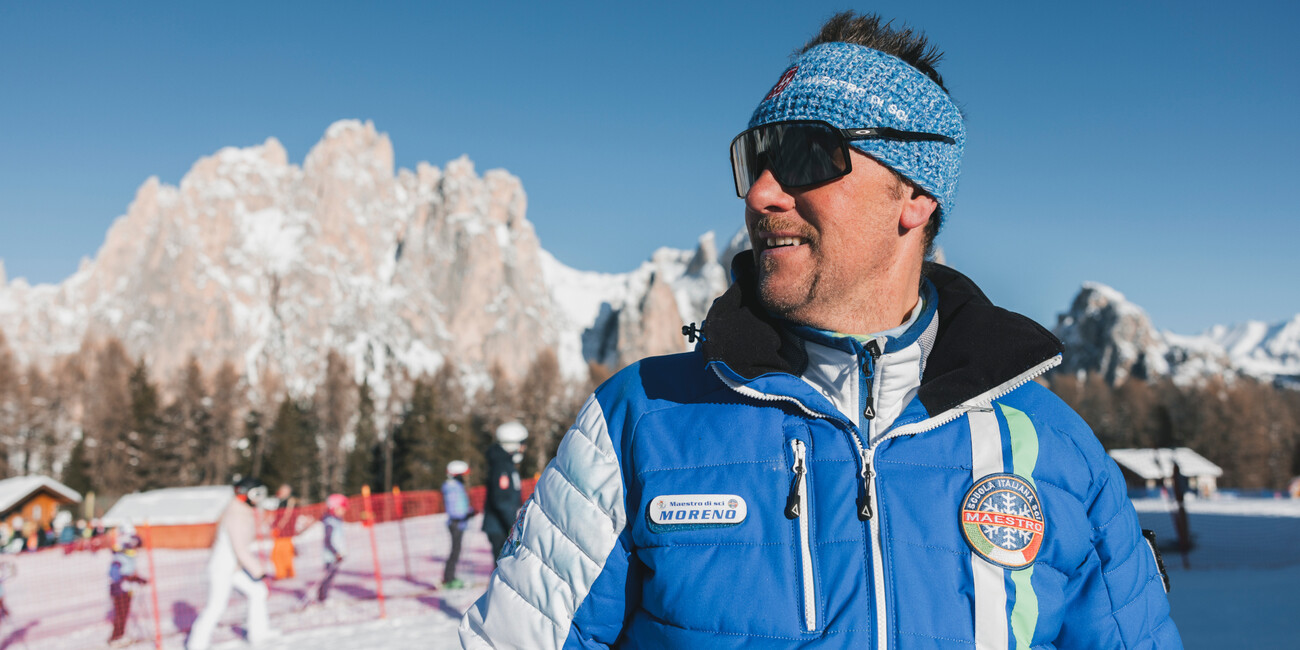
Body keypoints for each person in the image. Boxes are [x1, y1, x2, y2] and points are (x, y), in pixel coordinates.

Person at [461, 11, 1182, 648]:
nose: (761, 193)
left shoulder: (1055, 451)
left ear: (915, 194)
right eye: (756, 161)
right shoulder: (637, 422)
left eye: (806, 155)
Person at [186, 477, 273, 650]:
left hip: (233, 567)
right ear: (246, 494)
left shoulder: (241, 510)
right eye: (257, 494)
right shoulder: (236, 514)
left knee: (258, 591)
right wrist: (259, 572)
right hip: (222, 568)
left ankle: (259, 634)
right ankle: (196, 645)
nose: (259, 499)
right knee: (216, 607)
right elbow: (240, 549)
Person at [481, 421, 526, 565]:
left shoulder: (506, 464)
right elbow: (501, 500)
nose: (524, 448)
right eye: (522, 443)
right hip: (499, 527)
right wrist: (514, 527)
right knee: (504, 568)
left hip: (502, 526)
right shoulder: (501, 466)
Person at [108, 531, 149, 647]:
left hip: (126, 589)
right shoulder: (120, 557)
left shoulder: (130, 557)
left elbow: (129, 572)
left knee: (124, 613)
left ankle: (120, 635)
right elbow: (114, 574)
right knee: (120, 614)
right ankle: (116, 637)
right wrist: (125, 580)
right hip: (119, 590)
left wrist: (138, 579)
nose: (137, 549)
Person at [441, 460, 474, 588]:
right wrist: (464, 515)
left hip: (459, 523)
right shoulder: (452, 488)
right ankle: (448, 579)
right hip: (456, 524)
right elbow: (454, 507)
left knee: (456, 551)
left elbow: (461, 504)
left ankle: (450, 577)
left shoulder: (456, 486)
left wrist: (469, 511)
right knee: (455, 552)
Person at [316, 494, 348, 604]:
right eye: (342, 508)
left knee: (331, 577)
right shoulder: (330, 522)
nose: (344, 511)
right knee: (328, 577)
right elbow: (328, 540)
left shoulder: (337, 521)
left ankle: (323, 597)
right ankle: (323, 598)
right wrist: (336, 553)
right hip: (331, 556)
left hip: (336, 555)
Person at [269, 484, 298, 580]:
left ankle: (283, 573)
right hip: (284, 532)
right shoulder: (281, 501)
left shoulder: (289, 502)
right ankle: (287, 572)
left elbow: (286, 516)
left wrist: (278, 528)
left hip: (284, 532)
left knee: (277, 554)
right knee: (285, 553)